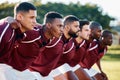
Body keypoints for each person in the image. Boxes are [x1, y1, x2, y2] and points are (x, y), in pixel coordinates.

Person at [29, 15, 80, 80]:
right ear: (67, 27)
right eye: (76, 26)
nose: (79, 29)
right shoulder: (55, 38)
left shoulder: (68, 42)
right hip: (32, 70)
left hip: (47, 70)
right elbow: (40, 29)